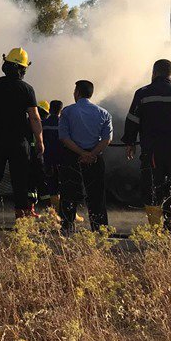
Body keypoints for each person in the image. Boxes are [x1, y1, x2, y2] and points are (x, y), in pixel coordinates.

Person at [0, 48, 44, 236]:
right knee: (20, 185)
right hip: (19, 144)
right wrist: (39, 141)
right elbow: (35, 118)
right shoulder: (27, 89)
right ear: (23, 69)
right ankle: (21, 233)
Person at [122, 59, 171, 227]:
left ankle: (155, 229)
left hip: (152, 151)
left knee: (152, 187)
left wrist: (130, 143)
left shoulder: (142, 93)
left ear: (154, 73)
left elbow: (132, 120)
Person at [58, 80, 113, 234]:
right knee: (97, 195)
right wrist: (92, 154)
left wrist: (81, 153)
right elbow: (107, 139)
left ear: (77, 93)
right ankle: (100, 229)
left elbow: (64, 137)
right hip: (95, 159)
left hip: (72, 157)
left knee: (69, 193)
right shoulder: (104, 113)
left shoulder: (68, 111)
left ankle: (66, 227)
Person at [38, 100, 65, 218]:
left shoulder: (43, 123)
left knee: (52, 187)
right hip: (63, 160)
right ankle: (67, 213)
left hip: (48, 159)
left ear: (50, 110)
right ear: (61, 110)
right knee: (64, 185)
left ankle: (55, 213)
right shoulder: (64, 123)